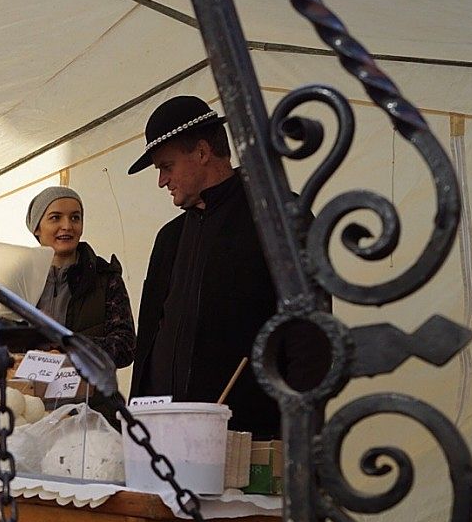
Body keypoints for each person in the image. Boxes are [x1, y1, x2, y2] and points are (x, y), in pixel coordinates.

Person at [128, 95, 329, 438]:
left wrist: (302, 426)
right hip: (165, 436)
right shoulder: (169, 238)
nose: (162, 181)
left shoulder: (276, 215)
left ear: (202, 152)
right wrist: (138, 420)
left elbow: (309, 332)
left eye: (167, 166)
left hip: (252, 434)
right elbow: (149, 340)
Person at [25, 186, 136, 369]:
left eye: (75, 218)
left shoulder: (106, 278)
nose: (67, 226)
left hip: (88, 388)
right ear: (36, 228)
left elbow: (125, 346)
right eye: (55, 218)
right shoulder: (17, 279)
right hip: (25, 387)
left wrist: (67, 345)